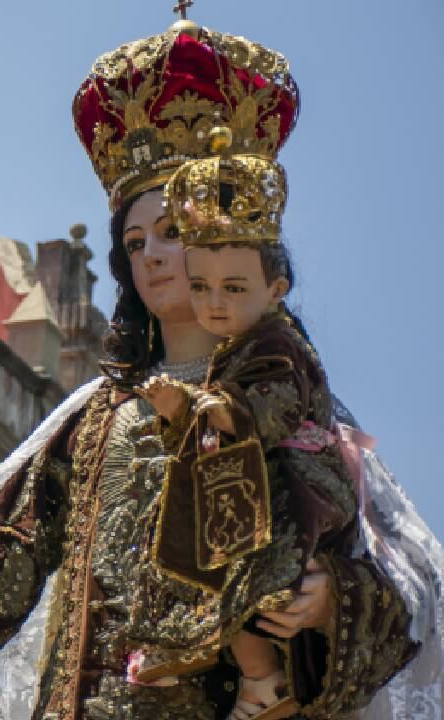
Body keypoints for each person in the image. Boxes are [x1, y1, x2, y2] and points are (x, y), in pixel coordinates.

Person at [0, 16, 427, 720]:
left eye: (174, 233)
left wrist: (330, 598)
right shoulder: (96, 420)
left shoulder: (285, 397)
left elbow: (401, 587)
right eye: (136, 238)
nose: (151, 255)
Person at [130, 147, 354, 720]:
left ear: (274, 288)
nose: (213, 303)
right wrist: (179, 408)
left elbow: (271, 399)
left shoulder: (277, 344)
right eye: (202, 286)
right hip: (241, 478)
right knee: (202, 547)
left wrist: (331, 600)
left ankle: (260, 680)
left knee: (248, 574)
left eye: (232, 288)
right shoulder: (226, 357)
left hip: (293, 488)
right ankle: (186, 641)